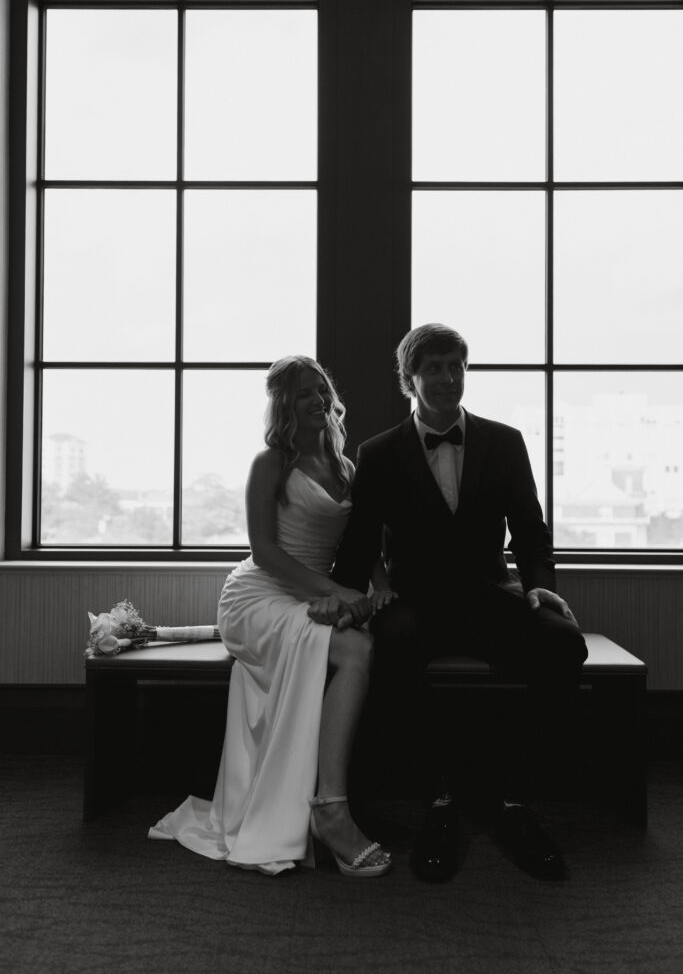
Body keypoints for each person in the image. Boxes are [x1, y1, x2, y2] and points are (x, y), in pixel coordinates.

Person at [333, 323, 588, 881]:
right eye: (434, 368)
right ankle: (438, 801)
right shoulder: (377, 453)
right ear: (411, 379)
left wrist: (540, 582)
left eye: (456, 367)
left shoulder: (506, 441)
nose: (448, 378)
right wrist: (347, 599)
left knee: (564, 645)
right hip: (416, 601)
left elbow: (530, 527)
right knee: (390, 649)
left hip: (487, 594)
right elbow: (356, 547)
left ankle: (511, 799)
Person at [148, 356, 392, 877]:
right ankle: (332, 810)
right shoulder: (271, 463)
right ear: (285, 404)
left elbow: (364, 537)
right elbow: (264, 552)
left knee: (364, 642)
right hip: (258, 596)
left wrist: (378, 585)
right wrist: (336, 591)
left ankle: (326, 802)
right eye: (304, 393)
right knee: (359, 649)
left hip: (309, 594)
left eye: (322, 389)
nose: (318, 400)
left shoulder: (346, 467)